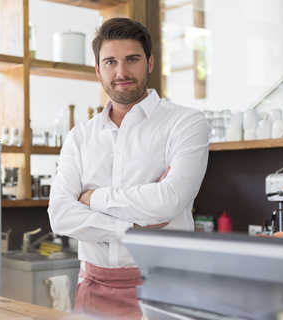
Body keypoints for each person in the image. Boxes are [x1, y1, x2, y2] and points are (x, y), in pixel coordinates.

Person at [47, 17, 209, 320]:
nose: (121, 72)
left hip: (166, 284)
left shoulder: (185, 122)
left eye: (131, 59)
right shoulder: (79, 136)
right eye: (110, 62)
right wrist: (133, 228)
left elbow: (170, 200)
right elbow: (59, 215)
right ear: (98, 70)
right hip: (94, 287)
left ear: (149, 62)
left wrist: (92, 199)